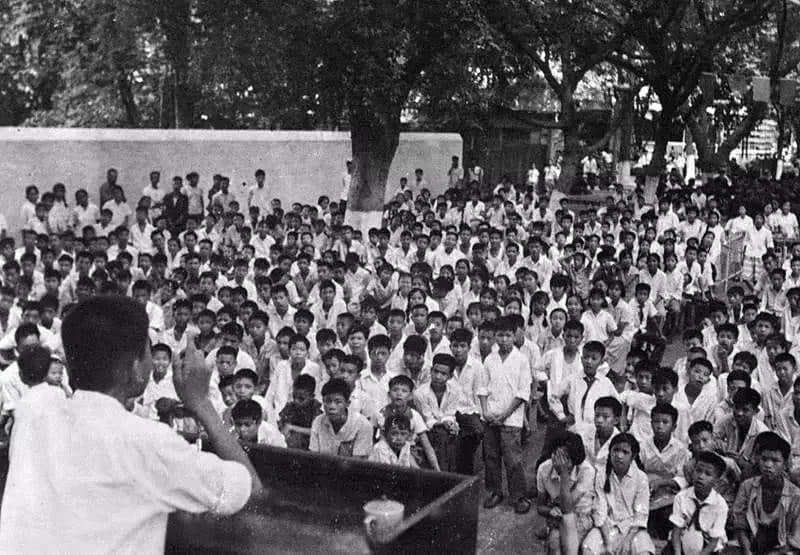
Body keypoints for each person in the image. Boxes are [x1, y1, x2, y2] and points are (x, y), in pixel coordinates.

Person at [0, 295, 262, 552]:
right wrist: (201, 402)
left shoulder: (34, 410)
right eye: (148, 350)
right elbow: (249, 491)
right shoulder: (149, 442)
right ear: (137, 367)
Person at [479, 316, 532, 514]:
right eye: (499, 335)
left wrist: (505, 415)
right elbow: (483, 388)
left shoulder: (521, 360)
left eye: (507, 335)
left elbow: (522, 393)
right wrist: (485, 412)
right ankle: (495, 491)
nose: (503, 340)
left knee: (513, 459)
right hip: (491, 417)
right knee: (491, 457)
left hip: (511, 419)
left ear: (514, 336)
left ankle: (518, 496)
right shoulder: (490, 359)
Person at [582, 433, 655, 555]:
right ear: (610, 452)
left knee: (644, 551)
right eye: (615, 450)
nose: (619, 456)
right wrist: (607, 542)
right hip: (606, 527)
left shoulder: (641, 478)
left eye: (625, 452)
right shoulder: (602, 474)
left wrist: (627, 541)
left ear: (633, 456)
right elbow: (600, 510)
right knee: (588, 548)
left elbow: (640, 515)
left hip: (632, 530)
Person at [732, 432, 800, 554]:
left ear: (784, 464)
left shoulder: (796, 495)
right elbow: (740, 524)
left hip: (783, 548)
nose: (768, 465)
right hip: (752, 543)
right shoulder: (747, 486)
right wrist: (747, 551)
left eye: (775, 461)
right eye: (764, 459)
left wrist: (775, 553)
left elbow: (796, 537)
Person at [535, 430, 596, 555]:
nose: (559, 462)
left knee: (568, 547)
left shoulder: (587, 471)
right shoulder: (544, 469)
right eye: (556, 455)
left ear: (574, 459)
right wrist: (549, 511)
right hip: (557, 517)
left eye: (565, 458)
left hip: (581, 516)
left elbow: (567, 509)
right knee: (554, 542)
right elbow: (540, 507)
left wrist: (564, 475)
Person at [309, 377, 373, 458]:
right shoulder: (318, 421)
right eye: (328, 401)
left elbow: (358, 464)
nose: (331, 407)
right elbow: (314, 458)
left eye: (338, 402)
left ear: (347, 403)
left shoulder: (363, 425)